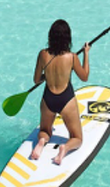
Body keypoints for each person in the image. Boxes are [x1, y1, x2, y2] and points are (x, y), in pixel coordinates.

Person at [29, 19, 90, 166]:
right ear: (67, 38)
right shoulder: (72, 57)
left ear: (51, 36)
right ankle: (65, 148)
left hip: (48, 99)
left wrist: (46, 76)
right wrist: (86, 54)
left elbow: (36, 80)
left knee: (45, 131)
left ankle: (42, 141)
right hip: (66, 100)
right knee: (77, 138)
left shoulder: (43, 54)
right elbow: (84, 77)